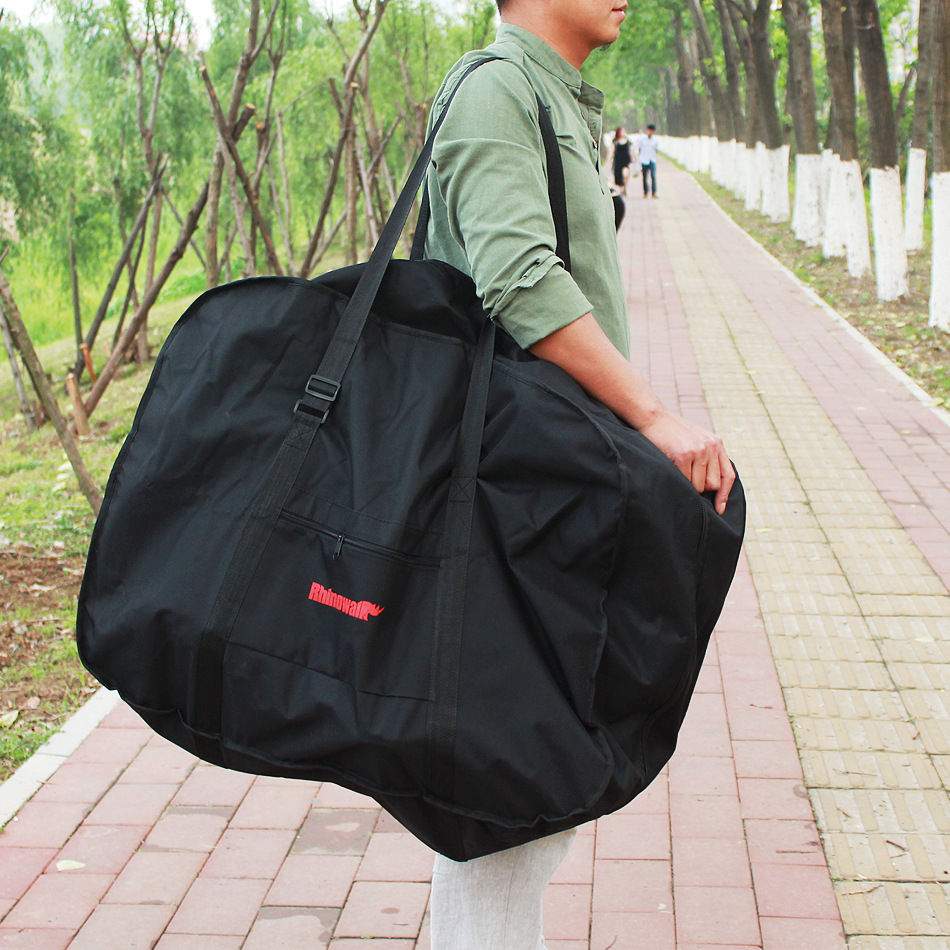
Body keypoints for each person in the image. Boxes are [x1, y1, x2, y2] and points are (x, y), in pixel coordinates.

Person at [422, 1, 734, 946]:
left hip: (548, 483)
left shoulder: (553, 98)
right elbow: (518, 277)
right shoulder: (496, 89)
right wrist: (653, 416)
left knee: (518, 785)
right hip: (509, 491)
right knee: (508, 786)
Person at [638, 122, 658, 197]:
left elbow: (656, 150)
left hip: (652, 160)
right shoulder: (642, 139)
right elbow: (639, 149)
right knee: (644, 177)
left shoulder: (655, 140)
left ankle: (654, 192)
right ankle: (645, 192)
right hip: (644, 160)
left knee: (653, 176)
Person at [611, 125, 632, 193]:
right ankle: (621, 189)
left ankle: (624, 187)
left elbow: (630, 150)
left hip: (625, 160)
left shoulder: (628, 141)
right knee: (618, 176)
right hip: (618, 161)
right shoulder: (615, 142)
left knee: (625, 174)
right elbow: (612, 151)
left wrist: (633, 158)